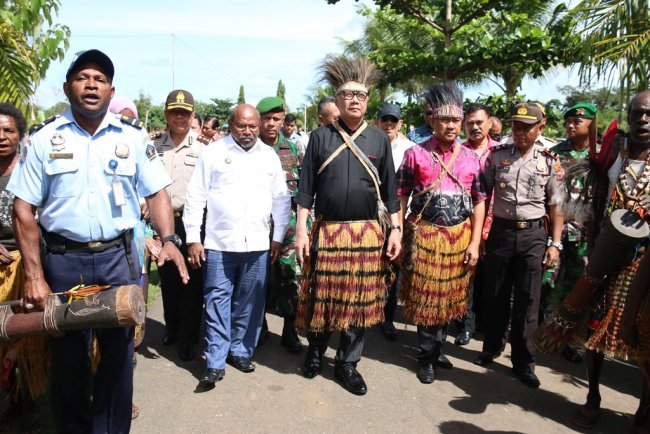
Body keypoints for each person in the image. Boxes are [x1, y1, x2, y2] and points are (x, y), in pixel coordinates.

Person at [8, 49, 187, 433]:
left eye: (100, 79)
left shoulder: (134, 138)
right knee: (68, 357)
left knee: (118, 354)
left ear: (111, 90)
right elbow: (22, 208)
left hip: (115, 258)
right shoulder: (44, 139)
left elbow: (157, 194)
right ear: (68, 87)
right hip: (62, 260)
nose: (92, 85)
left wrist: (168, 238)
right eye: (83, 77)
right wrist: (36, 275)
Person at [295, 55, 401, 396]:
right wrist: (300, 231)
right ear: (337, 100)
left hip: (367, 235)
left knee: (358, 302)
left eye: (360, 95)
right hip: (327, 232)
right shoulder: (320, 137)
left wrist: (396, 230)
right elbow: (305, 188)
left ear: (367, 101)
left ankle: (347, 364)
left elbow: (391, 191)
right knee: (322, 298)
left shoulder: (379, 140)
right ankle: (315, 351)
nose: (353, 100)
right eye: (347, 94)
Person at [184, 104, 291, 387]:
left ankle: (240, 351)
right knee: (217, 300)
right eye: (242, 126)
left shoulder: (268, 157)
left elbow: (281, 199)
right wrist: (193, 238)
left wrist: (278, 236)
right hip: (219, 244)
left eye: (253, 126)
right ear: (231, 125)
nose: (247, 131)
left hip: (257, 243)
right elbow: (196, 197)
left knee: (250, 301)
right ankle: (215, 361)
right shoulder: (214, 153)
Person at [568, 91, 650, 430]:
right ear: (628, 116)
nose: (643, 120)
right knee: (593, 328)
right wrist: (591, 249)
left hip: (646, 261)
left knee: (644, 337)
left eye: (649, 114)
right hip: (606, 253)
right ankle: (593, 395)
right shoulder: (614, 152)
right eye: (637, 114)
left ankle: (644, 410)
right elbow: (597, 202)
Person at [397, 83, 486, 384]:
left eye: (456, 120)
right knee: (426, 298)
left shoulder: (472, 158)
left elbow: (479, 201)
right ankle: (426, 356)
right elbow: (400, 196)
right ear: (432, 120)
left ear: (462, 122)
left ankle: (437, 348)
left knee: (450, 299)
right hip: (425, 237)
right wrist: (397, 232)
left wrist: (474, 242)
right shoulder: (415, 155)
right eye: (444, 119)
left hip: (459, 239)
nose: (451, 125)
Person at [476, 102, 565, 389]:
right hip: (501, 232)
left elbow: (556, 206)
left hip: (533, 235)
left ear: (541, 127)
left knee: (529, 299)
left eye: (526, 127)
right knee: (496, 292)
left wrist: (556, 244)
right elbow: (482, 193)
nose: (520, 132)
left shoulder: (550, 159)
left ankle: (523, 361)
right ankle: (492, 346)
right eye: (516, 126)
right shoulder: (497, 155)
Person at [0, 103, 47, 432]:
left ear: (20, 135)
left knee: (28, 340)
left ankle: (27, 400)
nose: (1, 137)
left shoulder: (33, 170)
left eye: (8, 130)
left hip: (28, 266)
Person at [152, 89, 205, 361]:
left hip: (193, 224)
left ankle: (188, 338)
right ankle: (172, 329)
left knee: (193, 284)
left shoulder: (205, 148)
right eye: (175, 112)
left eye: (185, 113)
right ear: (166, 114)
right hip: (163, 226)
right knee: (169, 282)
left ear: (192, 115)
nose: (180, 117)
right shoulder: (153, 147)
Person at [543, 103, 598, 364]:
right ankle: (547, 331)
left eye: (578, 120)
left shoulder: (600, 155)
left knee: (579, 285)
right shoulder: (555, 153)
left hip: (585, 232)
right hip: (555, 228)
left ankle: (573, 341)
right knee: (549, 281)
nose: (571, 124)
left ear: (591, 123)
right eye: (569, 121)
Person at [255, 96, 304, 353]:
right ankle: (259, 326)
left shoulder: (294, 150)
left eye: (276, 119)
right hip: (256, 227)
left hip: (288, 228)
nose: (271, 124)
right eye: (266, 119)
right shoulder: (250, 149)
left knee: (289, 278)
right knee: (258, 279)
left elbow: (305, 190)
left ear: (283, 120)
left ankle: (290, 330)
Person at [453, 103, 499, 346]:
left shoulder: (501, 152)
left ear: (490, 123)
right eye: (470, 123)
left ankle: (485, 324)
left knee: (490, 278)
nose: (475, 127)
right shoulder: (457, 152)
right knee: (466, 276)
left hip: (497, 224)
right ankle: (464, 324)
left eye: (480, 122)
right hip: (465, 223)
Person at [375, 102, 415, 341]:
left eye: (393, 120)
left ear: (400, 123)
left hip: (396, 217)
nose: (388, 124)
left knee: (393, 267)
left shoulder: (410, 149)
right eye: (384, 119)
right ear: (377, 121)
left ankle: (387, 317)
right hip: (370, 215)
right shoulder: (366, 143)